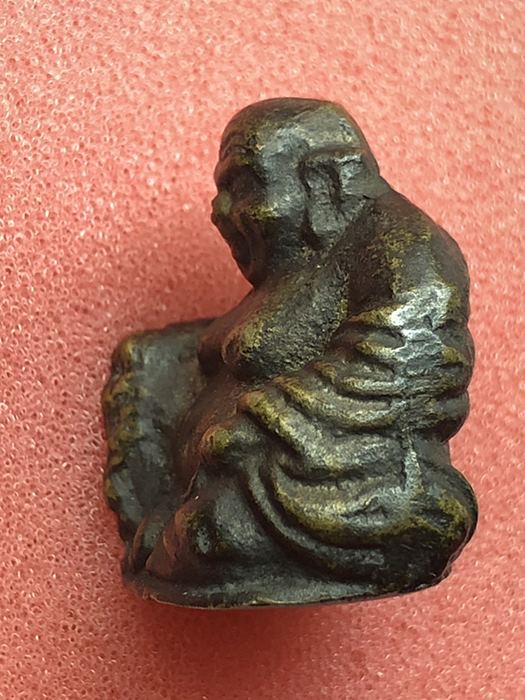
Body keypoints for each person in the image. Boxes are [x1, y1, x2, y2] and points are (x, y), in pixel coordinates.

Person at [103, 99, 477, 606]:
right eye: (222, 192)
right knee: (150, 366)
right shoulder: (302, 264)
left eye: (245, 185)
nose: (221, 211)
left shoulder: (409, 247)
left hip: (335, 480)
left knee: (217, 533)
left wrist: (258, 425)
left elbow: (405, 361)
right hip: (225, 475)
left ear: (325, 182)